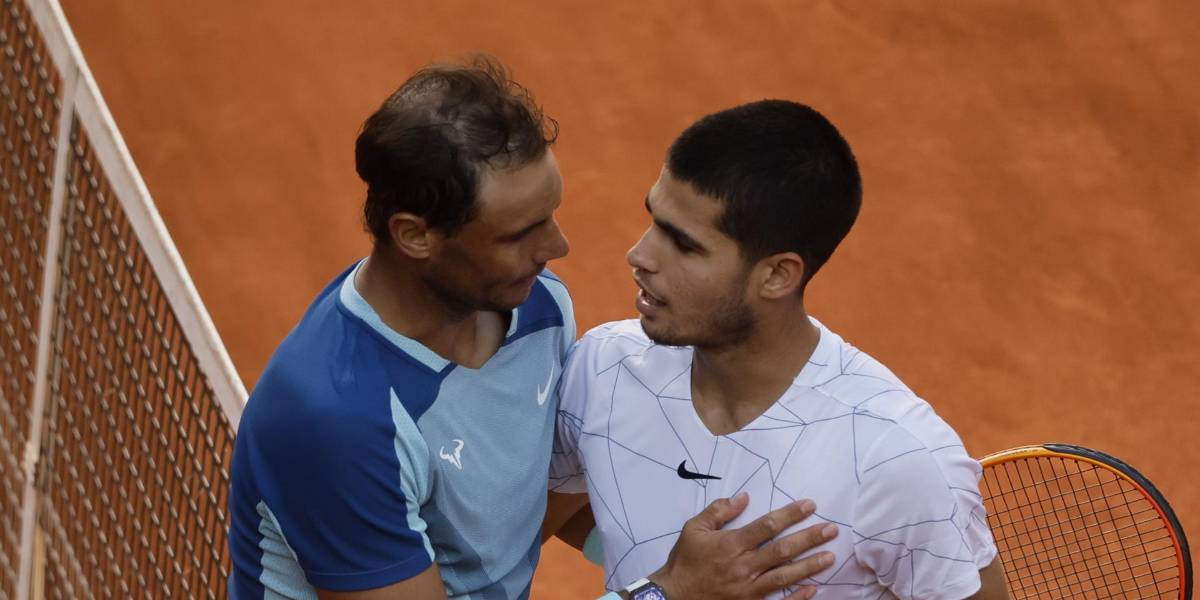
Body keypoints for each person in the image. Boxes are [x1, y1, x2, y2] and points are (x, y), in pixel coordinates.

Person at [227, 57, 837, 600]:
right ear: (416, 236)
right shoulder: (336, 420)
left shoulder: (536, 307)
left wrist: (706, 572)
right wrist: (668, 591)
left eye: (551, 214)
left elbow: (532, 505)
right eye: (521, 233)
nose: (559, 247)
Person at [549, 100, 1011, 599]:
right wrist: (673, 580)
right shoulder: (603, 371)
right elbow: (516, 535)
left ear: (776, 274)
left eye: (684, 245)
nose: (639, 255)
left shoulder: (897, 461)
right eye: (655, 220)